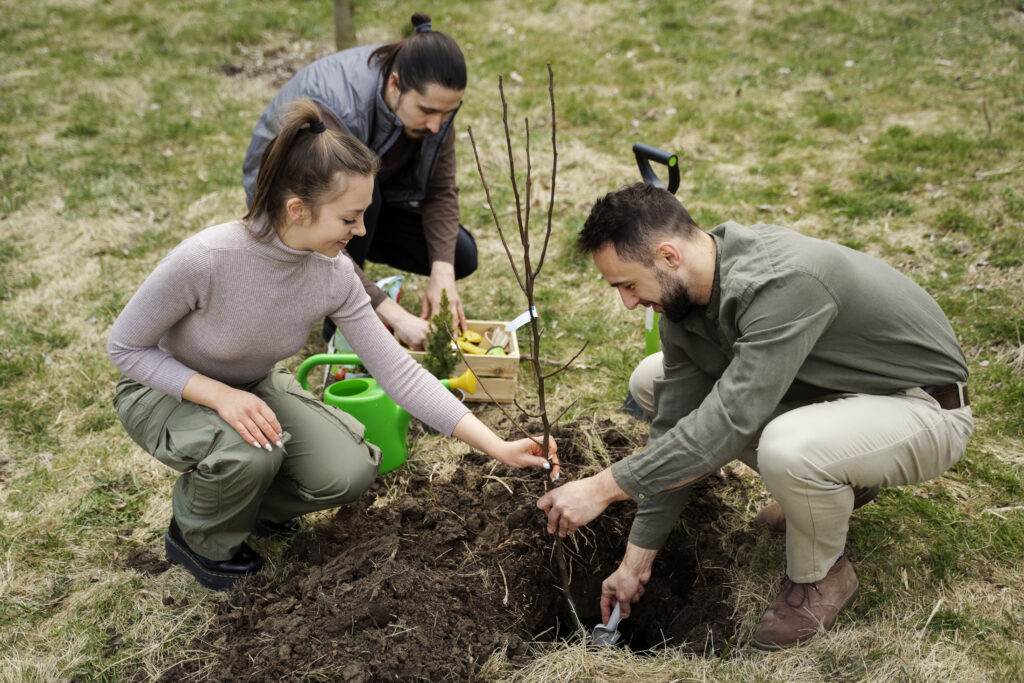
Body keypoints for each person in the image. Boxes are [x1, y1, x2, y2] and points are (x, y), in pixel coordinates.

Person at [109, 99, 557, 591]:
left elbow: (398, 371)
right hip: (162, 390)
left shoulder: (334, 274)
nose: (362, 231)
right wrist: (219, 396)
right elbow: (126, 349)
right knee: (252, 453)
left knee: (349, 470)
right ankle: (198, 535)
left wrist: (497, 447)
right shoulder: (207, 259)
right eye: (350, 219)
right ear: (298, 210)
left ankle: (241, 504)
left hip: (249, 385)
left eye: (364, 215)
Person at [537, 183, 972, 649]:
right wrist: (634, 565)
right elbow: (675, 430)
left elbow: (728, 424)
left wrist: (603, 488)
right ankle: (834, 486)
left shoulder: (780, 282)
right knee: (651, 380)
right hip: (840, 398)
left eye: (627, 284)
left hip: (923, 408)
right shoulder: (685, 309)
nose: (626, 302)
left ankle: (822, 576)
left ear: (668, 257)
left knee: (786, 446)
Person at [243, 12, 474, 350]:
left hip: (361, 199)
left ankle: (352, 270)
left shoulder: (432, 110)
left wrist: (443, 273)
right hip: (292, 212)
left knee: (459, 254)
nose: (438, 125)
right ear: (394, 85)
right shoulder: (335, 110)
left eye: (448, 112)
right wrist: (390, 312)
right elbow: (318, 214)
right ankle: (341, 311)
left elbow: (439, 192)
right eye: (427, 111)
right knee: (366, 195)